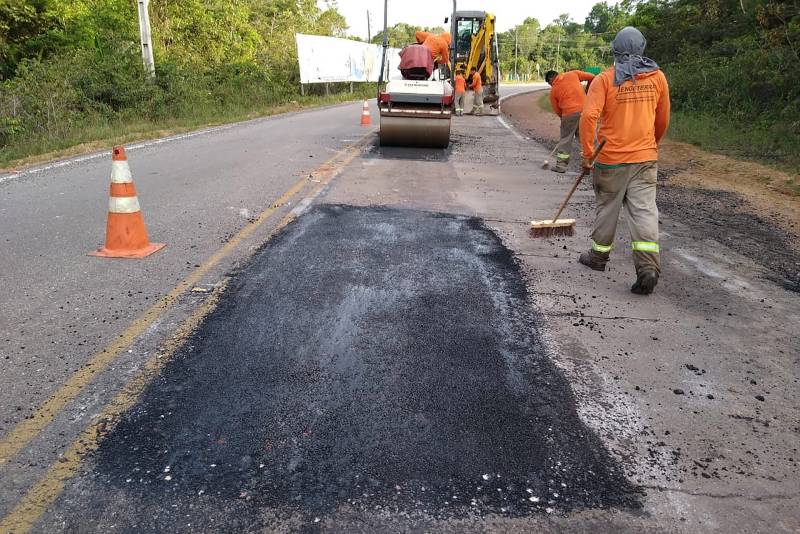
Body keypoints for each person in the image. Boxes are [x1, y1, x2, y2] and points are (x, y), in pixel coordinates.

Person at [578, 26, 671, 295]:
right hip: (645, 158)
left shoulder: (605, 80)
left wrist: (587, 154)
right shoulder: (658, 78)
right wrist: (651, 143)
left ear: (615, 51)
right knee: (644, 212)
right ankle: (647, 268)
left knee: (607, 208)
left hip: (611, 161)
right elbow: (662, 118)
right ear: (642, 48)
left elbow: (588, 118)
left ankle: (597, 259)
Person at [545, 69, 596, 173]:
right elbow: (593, 77)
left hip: (568, 114)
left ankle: (561, 166)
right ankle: (588, 165)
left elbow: (558, 111)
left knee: (565, 140)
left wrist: (566, 122)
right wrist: (588, 91)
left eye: (549, 83)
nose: (550, 85)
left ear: (551, 79)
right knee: (584, 139)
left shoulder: (553, 91)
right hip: (585, 111)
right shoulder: (573, 74)